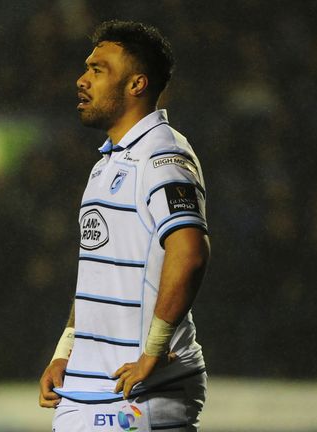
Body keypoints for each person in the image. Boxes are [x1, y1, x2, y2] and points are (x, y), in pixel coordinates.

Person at [38, 20, 210, 431]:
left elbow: (189, 253)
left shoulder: (162, 156)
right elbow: (99, 274)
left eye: (98, 70)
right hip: (87, 389)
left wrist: (153, 350)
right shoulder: (107, 164)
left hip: (134, 398)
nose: (82, 80)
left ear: (136, 84)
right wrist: (66, 351)